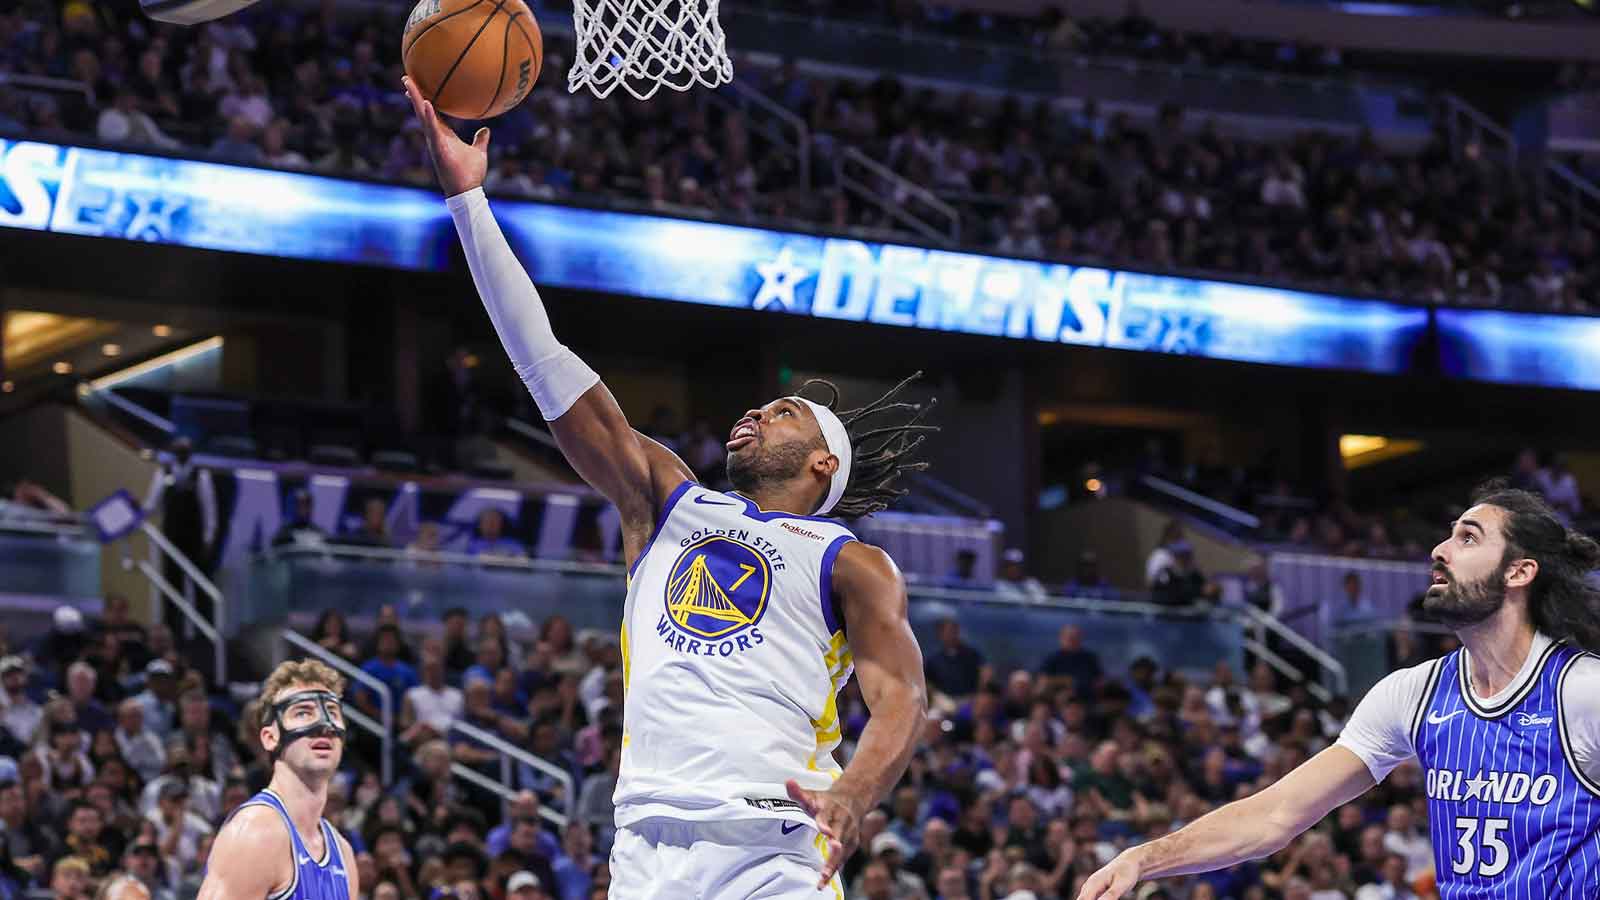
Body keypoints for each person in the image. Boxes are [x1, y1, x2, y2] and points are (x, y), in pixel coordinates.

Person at [405, 73, 934, 899]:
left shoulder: (850, 560)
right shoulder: (668, 500)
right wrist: (470, 205)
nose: (757, 411)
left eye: (784, 412)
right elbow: (546, 363)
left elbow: (900, 697)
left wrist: (854, 796)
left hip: (771, 842)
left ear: (824, 462)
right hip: (646, 845)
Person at [1078, 482, 1600, 899]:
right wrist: (1144, 859)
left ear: (1519, 571)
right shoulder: (1412, 694)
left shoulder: (1581, 692)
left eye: (1468, 538)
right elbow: (1273, 816)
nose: (1439, 550)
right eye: (1447, 535)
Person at [196, 659, 359, 899]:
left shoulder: (343, 853)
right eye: (303, 712)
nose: (324, 725)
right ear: (270, 737)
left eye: (332, 712)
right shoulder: (255, 832)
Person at [143, 437, 218, 632]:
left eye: (185, 450)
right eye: (178, 450)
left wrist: (208, 538)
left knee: (199, 584)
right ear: (173, 452)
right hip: (171, 537)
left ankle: (203, 629)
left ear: (190, 452)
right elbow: (152, 504)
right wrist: (136, 512)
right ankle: (172, 628)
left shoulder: (201, 475)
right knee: (171, 583)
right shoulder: (163, 473)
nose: (182, 454)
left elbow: (209, 509)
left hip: (194, 537)